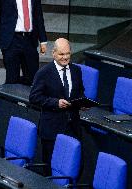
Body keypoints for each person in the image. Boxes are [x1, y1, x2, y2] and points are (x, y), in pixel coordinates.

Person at [29, 38, 85, 174]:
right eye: (61, 54)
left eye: (67, 54)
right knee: (51, 169)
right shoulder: (44, 73)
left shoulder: (76, 70)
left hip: (73, 127)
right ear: (53, 53)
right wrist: (55, 103)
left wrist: (82, 103)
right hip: (52, 129)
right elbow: (34, 98)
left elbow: (80, 92)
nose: (65, 57)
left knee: (73, 168)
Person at [0, 0, 47, 85]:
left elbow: (38, 15)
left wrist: (43, 40)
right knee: (12, 78)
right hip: (11, 40)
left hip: (30, 39)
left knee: (33, 78)